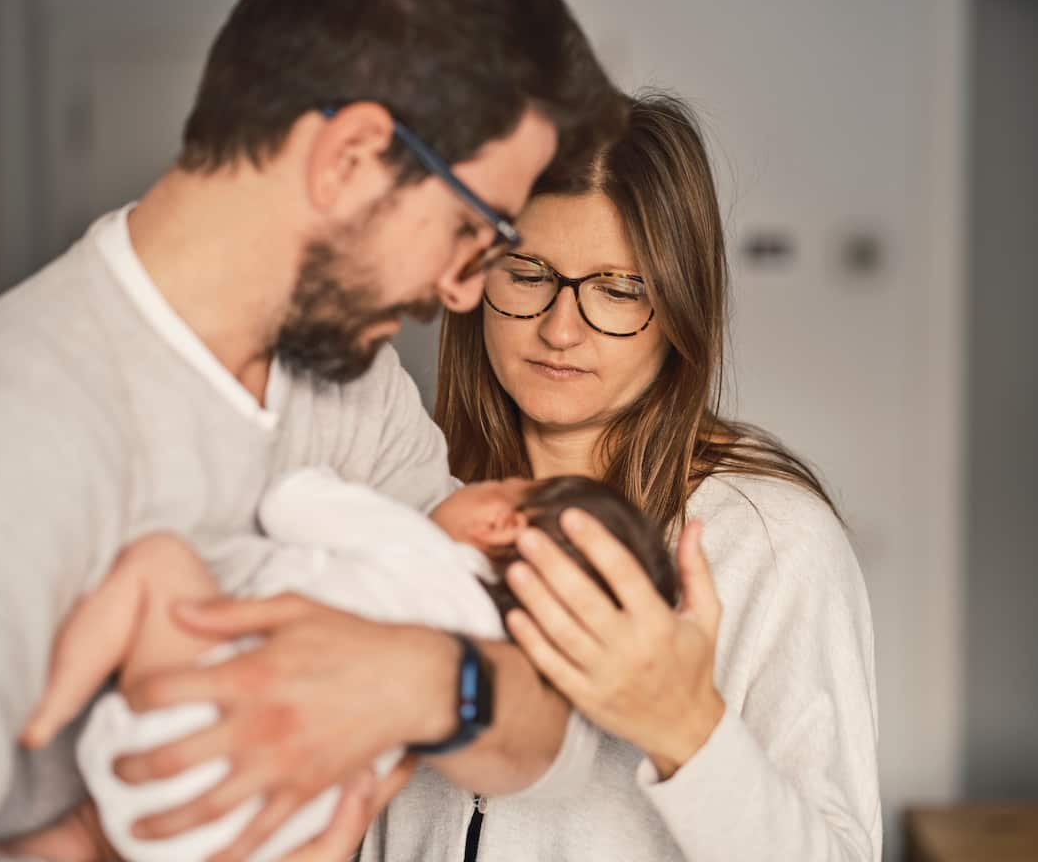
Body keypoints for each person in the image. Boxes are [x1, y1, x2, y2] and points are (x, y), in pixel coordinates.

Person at [0, 0, 627, 859]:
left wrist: (422, 679)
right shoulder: (5, 432)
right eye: (471, 233)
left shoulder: (349, 383)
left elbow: (553, 745)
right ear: (351, 157)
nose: (460, 293)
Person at [364, 92, 882, 860]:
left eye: (618, 289)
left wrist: (686, 729)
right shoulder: (407, 500)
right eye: (530, 271)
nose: (560, 328)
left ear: (680, 309)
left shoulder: (772, 542)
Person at [0, 471, 675, 862]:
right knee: (95, 840)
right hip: (272, 833)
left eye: (497, 483)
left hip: (191, 720)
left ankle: (47, 710)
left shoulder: (412, 547)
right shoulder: (491, 655)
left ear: (498, 520)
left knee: (157, 560)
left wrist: (345, 494)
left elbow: (293, 499)